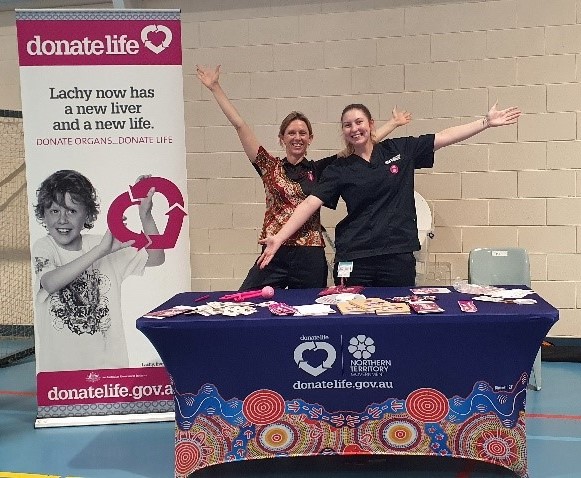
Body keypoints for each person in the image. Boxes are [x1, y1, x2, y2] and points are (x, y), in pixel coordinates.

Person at [257, 102, 521, 287]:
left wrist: (485, 122)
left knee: (397, 322)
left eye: (359, 122)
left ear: (370, 124)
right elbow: (310, 203)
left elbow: (443, 137)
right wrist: (279, 237)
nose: (354, 128)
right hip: (355, 258)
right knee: (355, 324)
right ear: (344, 131)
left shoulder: (400, 150)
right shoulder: (339, 169)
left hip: (397, 255)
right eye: (347, 125)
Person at [196, 65, 411, 290]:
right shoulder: (268, 166)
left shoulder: (322, 170)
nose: (297, 137)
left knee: (311, 311)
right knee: (249, 301)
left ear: (310, 138)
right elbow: (240, 125)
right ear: (281, 138)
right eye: (291, 133)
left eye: (302, 133)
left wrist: (392, 124)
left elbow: (359, 141)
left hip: (310, 254)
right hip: (274, 250)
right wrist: (215, 88)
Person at [31, 170, 165, 372]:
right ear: (44, 214)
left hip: (109, 371)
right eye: (55, 211)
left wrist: (145, 215)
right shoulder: (45, 247)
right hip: (59, 375)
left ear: (87, 214)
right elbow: (50, 283)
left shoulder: (101, 244)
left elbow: (156, 257)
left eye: (72, 211)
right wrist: (100, 251)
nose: (62, 220)